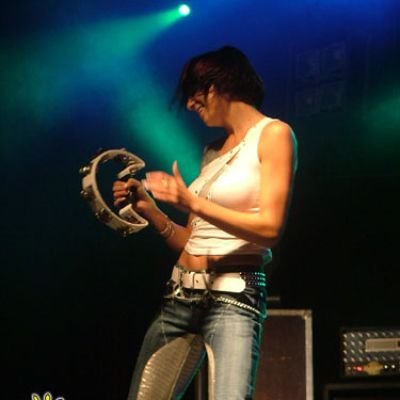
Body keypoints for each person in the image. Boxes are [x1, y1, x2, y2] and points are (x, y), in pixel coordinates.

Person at [113, 45, 297, 400]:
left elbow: (271, 229)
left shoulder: (274, 134)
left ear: (217, 85)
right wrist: (151, 210)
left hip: (233, 300)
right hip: (179, 297)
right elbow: (192, 241)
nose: (189, 105)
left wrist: (191, 201)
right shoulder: (212, 152)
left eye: (194, 93)